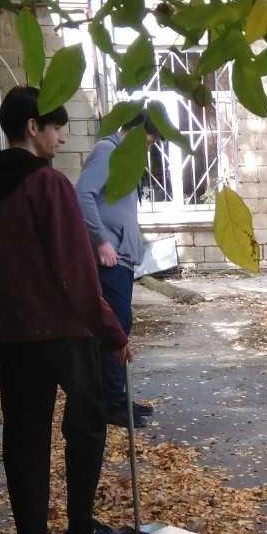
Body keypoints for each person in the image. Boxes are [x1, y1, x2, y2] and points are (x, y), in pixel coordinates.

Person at [0, 86, 134, 534]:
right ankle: (79, 532)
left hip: (13, 341)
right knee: (87, 424)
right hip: (64, 333)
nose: (61, 138)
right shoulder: (48, 185)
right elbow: (76, 272)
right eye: (56, 127)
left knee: (24, 439)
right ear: (32, 127)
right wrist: (113, 333)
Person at [75, 105, 164, 428]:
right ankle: (112, 403)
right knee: (114, 328)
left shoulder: (123, 158)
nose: (149, 148)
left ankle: (118, 397)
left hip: (122, 258)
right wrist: (101, 240)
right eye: (149, 142)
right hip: (108, 258)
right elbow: (82, 195)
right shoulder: (107, 151)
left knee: (120, 327)